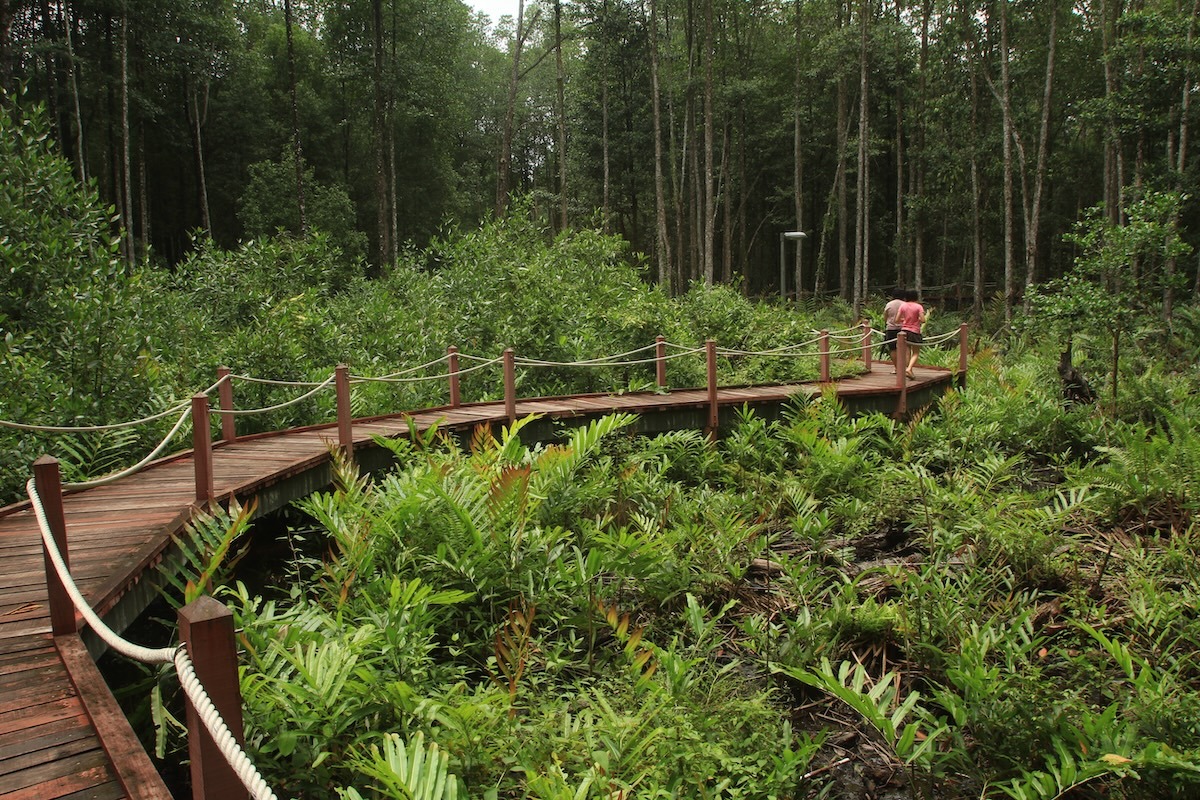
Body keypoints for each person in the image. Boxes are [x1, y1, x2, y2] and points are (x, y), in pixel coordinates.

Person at [895, 289, 926, 379]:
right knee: (916, 352)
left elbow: (897, 320)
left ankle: (909, 370)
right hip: (915, 331)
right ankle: (909, 369)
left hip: (904, 331)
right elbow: (923, 320)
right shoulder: (918, 307)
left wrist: (904, 320)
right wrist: (917, 320)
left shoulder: (903, 306)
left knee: (907, 352)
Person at [881, 287, 905, 374]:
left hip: (891, 329)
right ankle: (904, 368)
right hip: (904, 329)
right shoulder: (905, 304)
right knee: (904, 349)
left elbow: (885, 317)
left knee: (893, 349)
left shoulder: (889, 304)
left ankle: (897, 368)